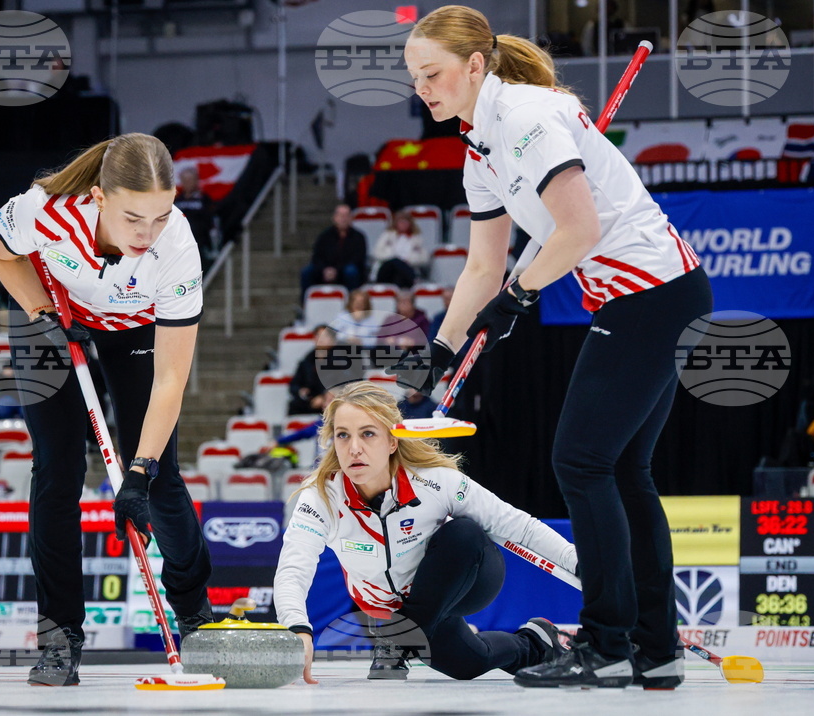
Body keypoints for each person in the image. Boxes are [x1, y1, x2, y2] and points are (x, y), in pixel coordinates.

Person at [404, 7, 711, 689]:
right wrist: (442, 349)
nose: (422, 88)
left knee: (581, 460)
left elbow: (576, 228)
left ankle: (607, 643)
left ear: (475, 65)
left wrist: (522, 294)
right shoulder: (479, 145)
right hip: (648, 297)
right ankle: (655, 649)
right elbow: (483, 266)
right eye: (415, 77)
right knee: (624, 472)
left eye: (433, 73)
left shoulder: (525, 118)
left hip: (654, 293)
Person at [0, 132, 215, 687]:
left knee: (161, 481)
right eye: (134, 218)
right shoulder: (42, 210)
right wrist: (40, 311)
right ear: (98, 198)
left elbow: (171, 377)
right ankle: (60, 635)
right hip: (50, 318)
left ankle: (195, 615)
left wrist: (138, 473)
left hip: (133, 328)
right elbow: (1, 251)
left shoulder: (178, 249)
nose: (148, 233)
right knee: (59, 469)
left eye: (160, 216)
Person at [274, 381, 577, 683]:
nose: (354, 448)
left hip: (465, 579)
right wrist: (297, 628)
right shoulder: (320, 497)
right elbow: (293, 568)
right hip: (396, 609)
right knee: (470, 663)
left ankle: (396, 641)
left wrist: (577, 561)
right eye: (343, 435)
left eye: (368, 434)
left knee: (464, 533)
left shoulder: (437, 483)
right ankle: (536, 643)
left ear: (392, 441)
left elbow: (520, 527)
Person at [300, 204, 367, 297]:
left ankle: (352, 305)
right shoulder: (324, 236)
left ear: (351, 218)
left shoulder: (359, 237)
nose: (343, 219)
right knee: (307, 272)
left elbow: (358, 259)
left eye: (346, 216)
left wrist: (337, 270)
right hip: (325, 270)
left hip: (345, 270)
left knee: (351, 271)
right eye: (340, 215)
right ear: (334, 218)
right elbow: (316, 256)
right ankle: (305, 306)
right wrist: (325, 269)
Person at [371, 209, 429, 288]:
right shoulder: (387, 235)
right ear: (396, 223)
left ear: (410, 224)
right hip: (386, 269)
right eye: (401, 222)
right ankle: (413, 279)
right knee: (396, 261)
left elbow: (424, 258)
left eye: (405, 222)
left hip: (406, 269)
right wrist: (392, 258)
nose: (403, 224)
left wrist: (408, 260)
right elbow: (376, 253)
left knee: (399, 275)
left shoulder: (417, 239)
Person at [173, 166, 218, 265]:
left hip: (200, 243)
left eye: (190, 180)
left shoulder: (204, 199)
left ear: (196, 180)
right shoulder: (177, 201)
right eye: (185, 180)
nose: (187, 183)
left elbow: (212, 223)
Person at [289, 324, 336, 416]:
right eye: (318, 335)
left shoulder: (341, 360)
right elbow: (294, 384)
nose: (321, 339)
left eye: (325, 336)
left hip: (331, 400)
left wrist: (324, 396)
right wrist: (301, 391)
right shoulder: (307, 361)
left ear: (333, 340)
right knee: (294, 405)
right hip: (310, 401)